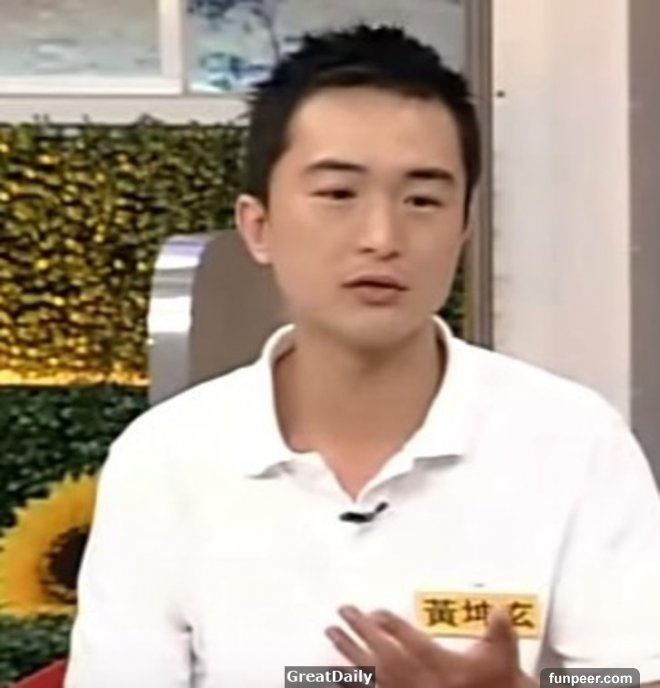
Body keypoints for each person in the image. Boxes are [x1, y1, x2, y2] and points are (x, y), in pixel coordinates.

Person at [65, 24, 660, 688]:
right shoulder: (165, 460)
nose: (382, 237)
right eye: (338, 194)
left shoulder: (575, 442)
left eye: (422, 200)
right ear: (259, 227)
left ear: (463, 228)